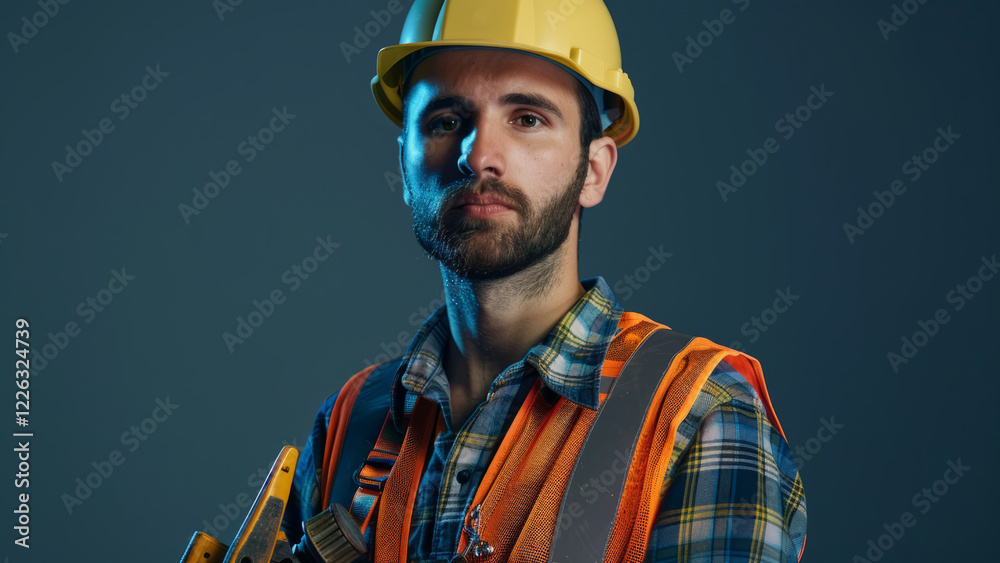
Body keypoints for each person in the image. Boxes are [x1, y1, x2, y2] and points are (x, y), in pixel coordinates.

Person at [281, 1, 806, 561]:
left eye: (527, 118)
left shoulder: (698, 417)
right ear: (405, 169)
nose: (479, 155)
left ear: (595, 170)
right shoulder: (348, 421)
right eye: (445, 122)